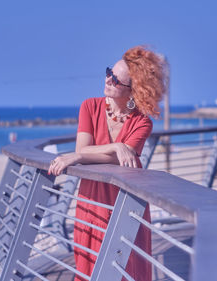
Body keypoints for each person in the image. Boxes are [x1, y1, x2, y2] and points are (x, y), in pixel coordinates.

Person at [48, 46, 168, 281]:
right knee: (89, 265)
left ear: (133, 91)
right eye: (108, 73)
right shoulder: (89, 107)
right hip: (92, 202)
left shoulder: (142, 123)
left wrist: (90, 154)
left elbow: (110, 157)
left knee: (127, 268)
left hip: (127, 203)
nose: (108, 80)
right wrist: (115, 145)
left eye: (115, 80)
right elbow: (85, 149)